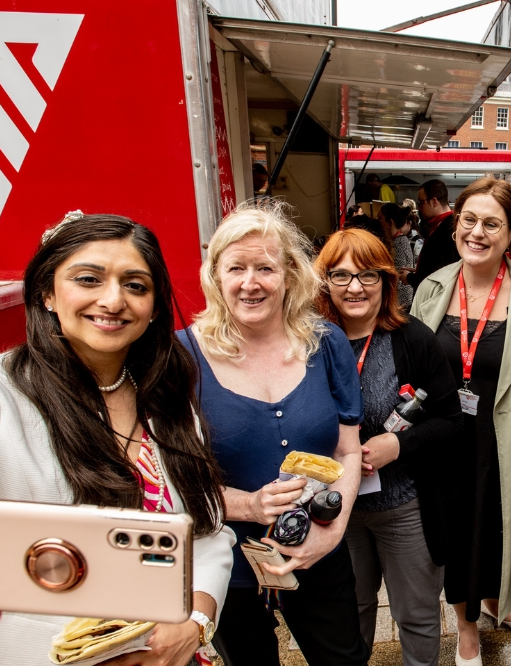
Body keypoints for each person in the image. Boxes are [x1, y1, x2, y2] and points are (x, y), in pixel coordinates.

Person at [0, 213, 235, 666]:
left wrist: (194, 620)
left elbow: (206, 532)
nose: (113, 299)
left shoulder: (169, 404)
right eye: (88, 279)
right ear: (46, 291)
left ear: (155, 307)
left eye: (136, 285)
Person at [177, 201, 370, 666]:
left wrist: (331, 534)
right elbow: (172, 477)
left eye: (265, 267)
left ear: (289, 274)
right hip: (228, 562)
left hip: (318, 547)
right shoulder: (182, 356)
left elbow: (347, 451)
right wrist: (248, 504)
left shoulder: (326, 343)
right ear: (216, 276)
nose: (250, 282)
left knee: (345, 659)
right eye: (236, 268)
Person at [314, 228, 463, 666]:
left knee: (415, 615)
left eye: (368, 275)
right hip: (335, 510)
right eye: (341, 276)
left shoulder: (413, 339)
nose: (355, 287)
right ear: (324, 283)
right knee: (349, 611)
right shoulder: (308, 343)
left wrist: (399, 445)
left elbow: (452, 422)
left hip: (404, 507)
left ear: (387, 281)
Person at [411, 176, 511, 666]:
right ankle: (468, 630)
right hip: (446, 438)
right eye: (470, 220)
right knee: (461, 533)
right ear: (454, 225)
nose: (478, 233)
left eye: (492, 224)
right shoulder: (433, 288)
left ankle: (497, 602)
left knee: (500, 526)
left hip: (504, 436)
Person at [409, 179, 459, 290]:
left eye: (420, 202)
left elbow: (439, 272)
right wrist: (418, 270)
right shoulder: (442, 224)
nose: (419, 208)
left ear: (434, 202)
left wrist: (409, 278)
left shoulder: (449, 228)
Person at [379, 202, 417, 308]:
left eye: (380, 218)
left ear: (390, 222)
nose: (378, 222)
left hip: (400, 302)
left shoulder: (398, 243)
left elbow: (397, 273)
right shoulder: (398, 241)